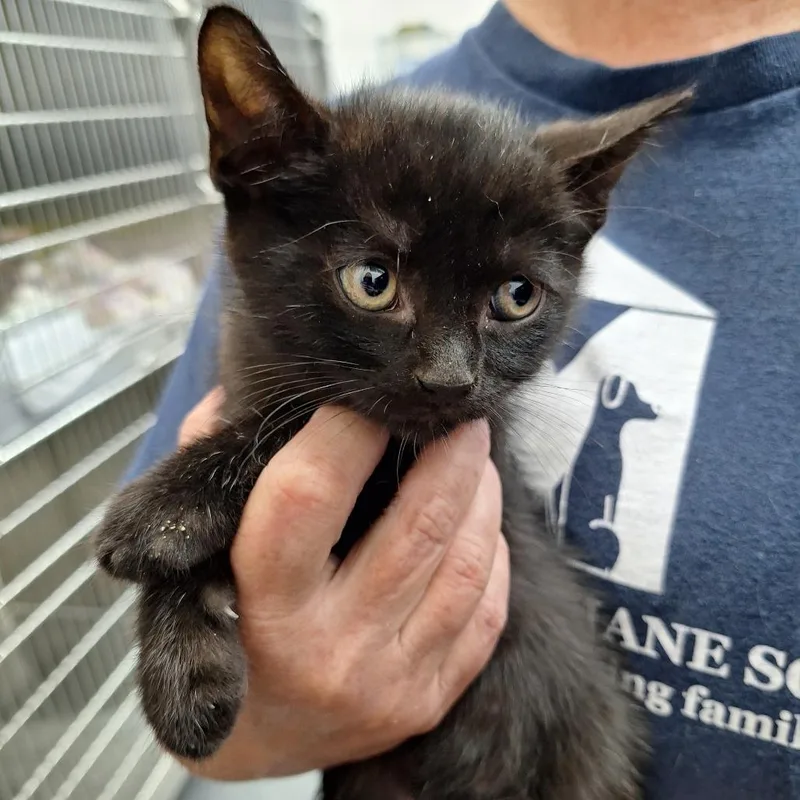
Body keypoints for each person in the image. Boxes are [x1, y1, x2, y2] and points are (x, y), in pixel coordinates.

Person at [126, 1, 800, 796]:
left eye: (513, 299)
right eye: (374, 282)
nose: (449, 376)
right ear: (253, 175)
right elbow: (190, 669)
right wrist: (250, 708)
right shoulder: (291, 216)